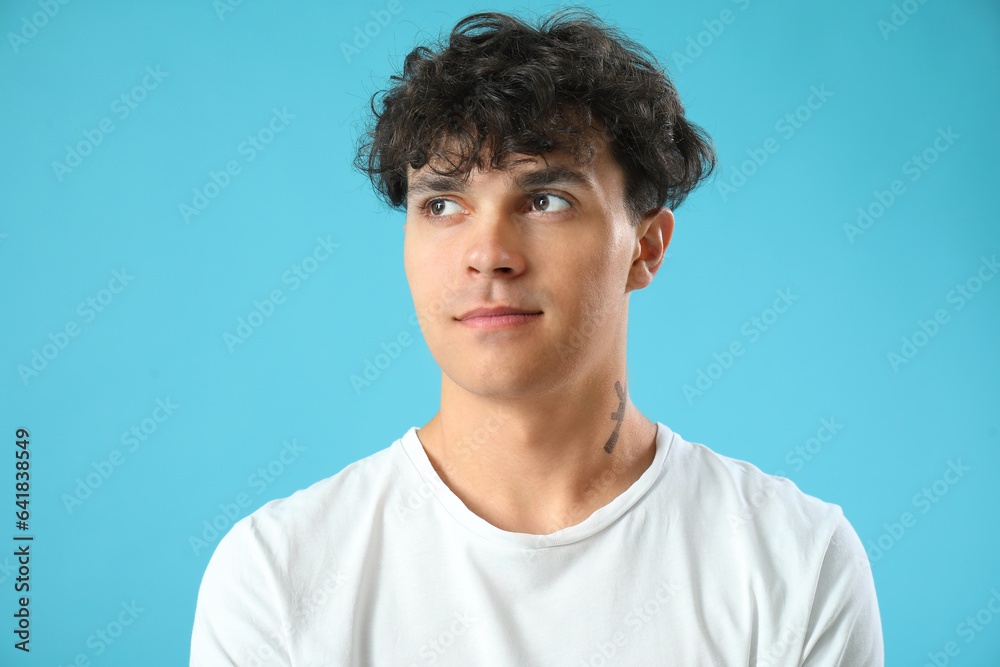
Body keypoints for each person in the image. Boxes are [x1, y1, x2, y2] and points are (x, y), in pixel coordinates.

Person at [190, 7, 884, 665]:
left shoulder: (794, 560)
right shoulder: (277, 575)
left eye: (546, 200)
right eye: (442, 204)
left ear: (646, 246)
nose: (487, 252)